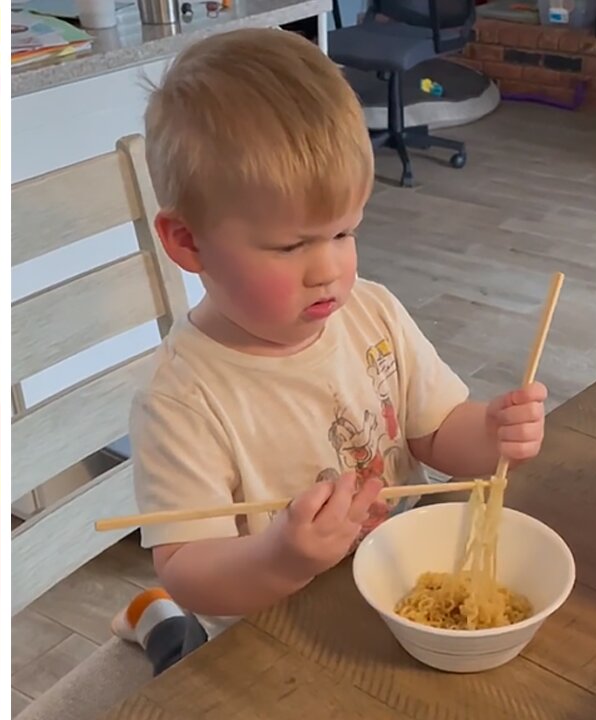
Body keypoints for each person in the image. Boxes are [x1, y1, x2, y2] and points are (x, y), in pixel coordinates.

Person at [109, 28, 547, 675]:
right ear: (188, 243)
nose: (330, 271)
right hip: (279, 635)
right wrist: (283, 557)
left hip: (401, 588)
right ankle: (161, 626)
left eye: (346, 231)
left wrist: (490, 431)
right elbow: (189, 570)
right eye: (291, 246)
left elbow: (440, 432)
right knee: (183, 642)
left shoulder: (371, 311)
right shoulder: (182, 397)